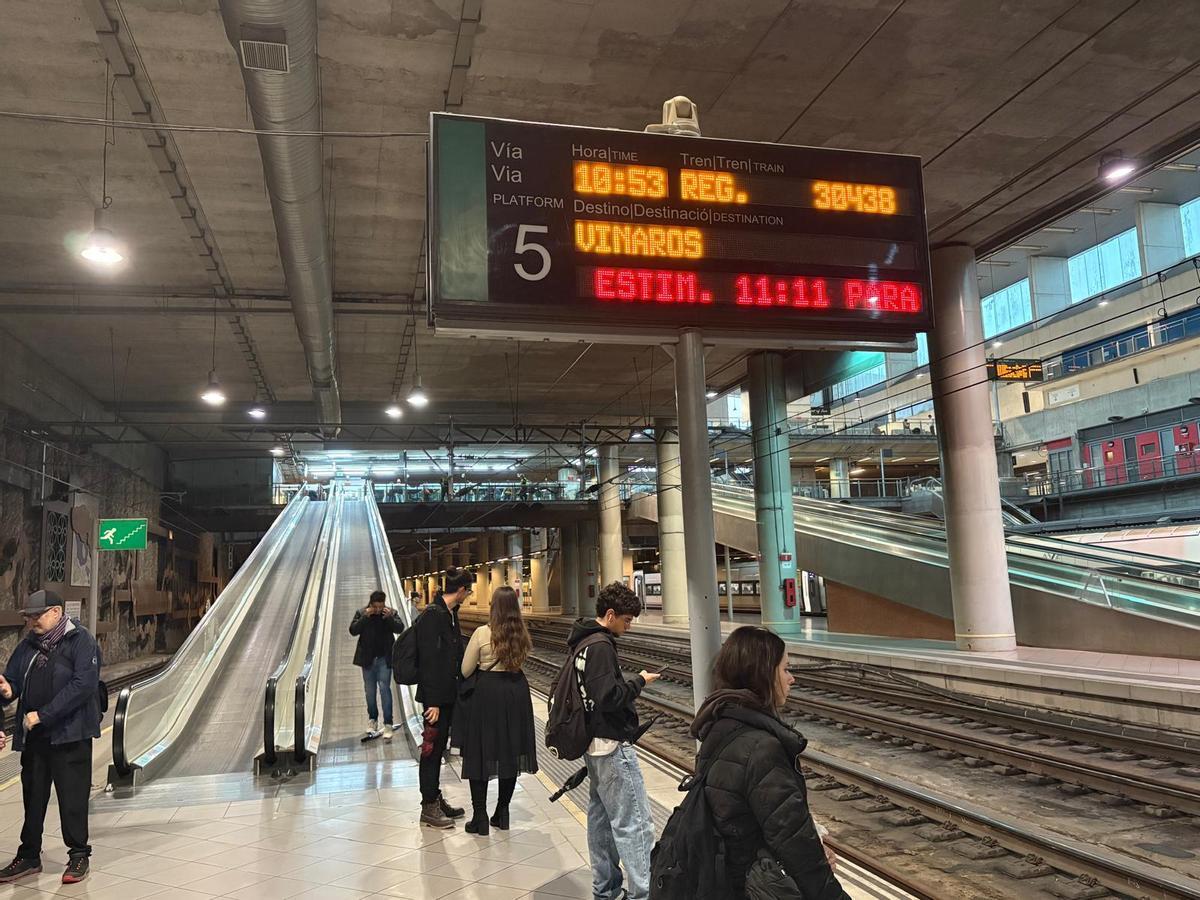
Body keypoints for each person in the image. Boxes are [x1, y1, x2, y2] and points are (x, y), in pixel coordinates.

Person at [691, 626, 848, 899]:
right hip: (755, 886)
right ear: (763, 673)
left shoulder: (720, 726)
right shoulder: (763, 749)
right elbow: (794, 841)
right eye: (786, 669)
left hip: (728, 879)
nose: (792, 679)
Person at [0, 590, 102, 886]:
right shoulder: (28, 646)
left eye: (37, 615)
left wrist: (44, 714)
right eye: (29, 617)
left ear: (56, 612)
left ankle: (79, 854)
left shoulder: (81, 641)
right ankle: (29, 854)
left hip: (71, 735)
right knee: (33, 797)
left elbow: (83, 685)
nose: (32, 621)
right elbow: (15, 679)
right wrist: (9, 691)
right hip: (36, 738)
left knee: (72, 797)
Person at [568, 582, 661, 900]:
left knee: (602, 819)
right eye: (626, 619)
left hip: (594, 743)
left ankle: (605, 889)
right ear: (610, 614)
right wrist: (639, 681)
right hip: (611, 743)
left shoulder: (581, 642)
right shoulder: (601, 645)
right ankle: (645, 893)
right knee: (634, 822)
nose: (629, 625)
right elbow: (608, 696)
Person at [457, 586, 537, 835]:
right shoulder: (521, 633)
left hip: (487, 696)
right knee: (509, 753)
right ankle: (502, 812)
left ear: (494, 607)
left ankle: (479, 816)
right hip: (515, 693)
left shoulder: (482, 633)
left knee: (480, 752)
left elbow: (465, 670)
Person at [414, 567, 471, 828]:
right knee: (430, 751)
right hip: (435, 701)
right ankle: (428, 807)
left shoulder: (449, 614)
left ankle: (435, 797)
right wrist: (433, 702)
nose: (468, 595)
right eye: (467, 591)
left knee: (439, 752)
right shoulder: (433, 616)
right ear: (460, 590)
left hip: (447, 696)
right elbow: (428, 661)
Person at [348, 589, 404, 740]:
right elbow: (353, 630)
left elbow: (400, 628)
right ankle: (373, 719)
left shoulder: (390, 613)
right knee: (369, 691)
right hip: (367, 660)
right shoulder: (362, 613)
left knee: (385, 689)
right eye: (376, 607)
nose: (379, 610)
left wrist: (390, 618)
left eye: (381, 606)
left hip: (384, 659)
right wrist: (365, 617)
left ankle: (388, 723)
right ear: (371, 604)